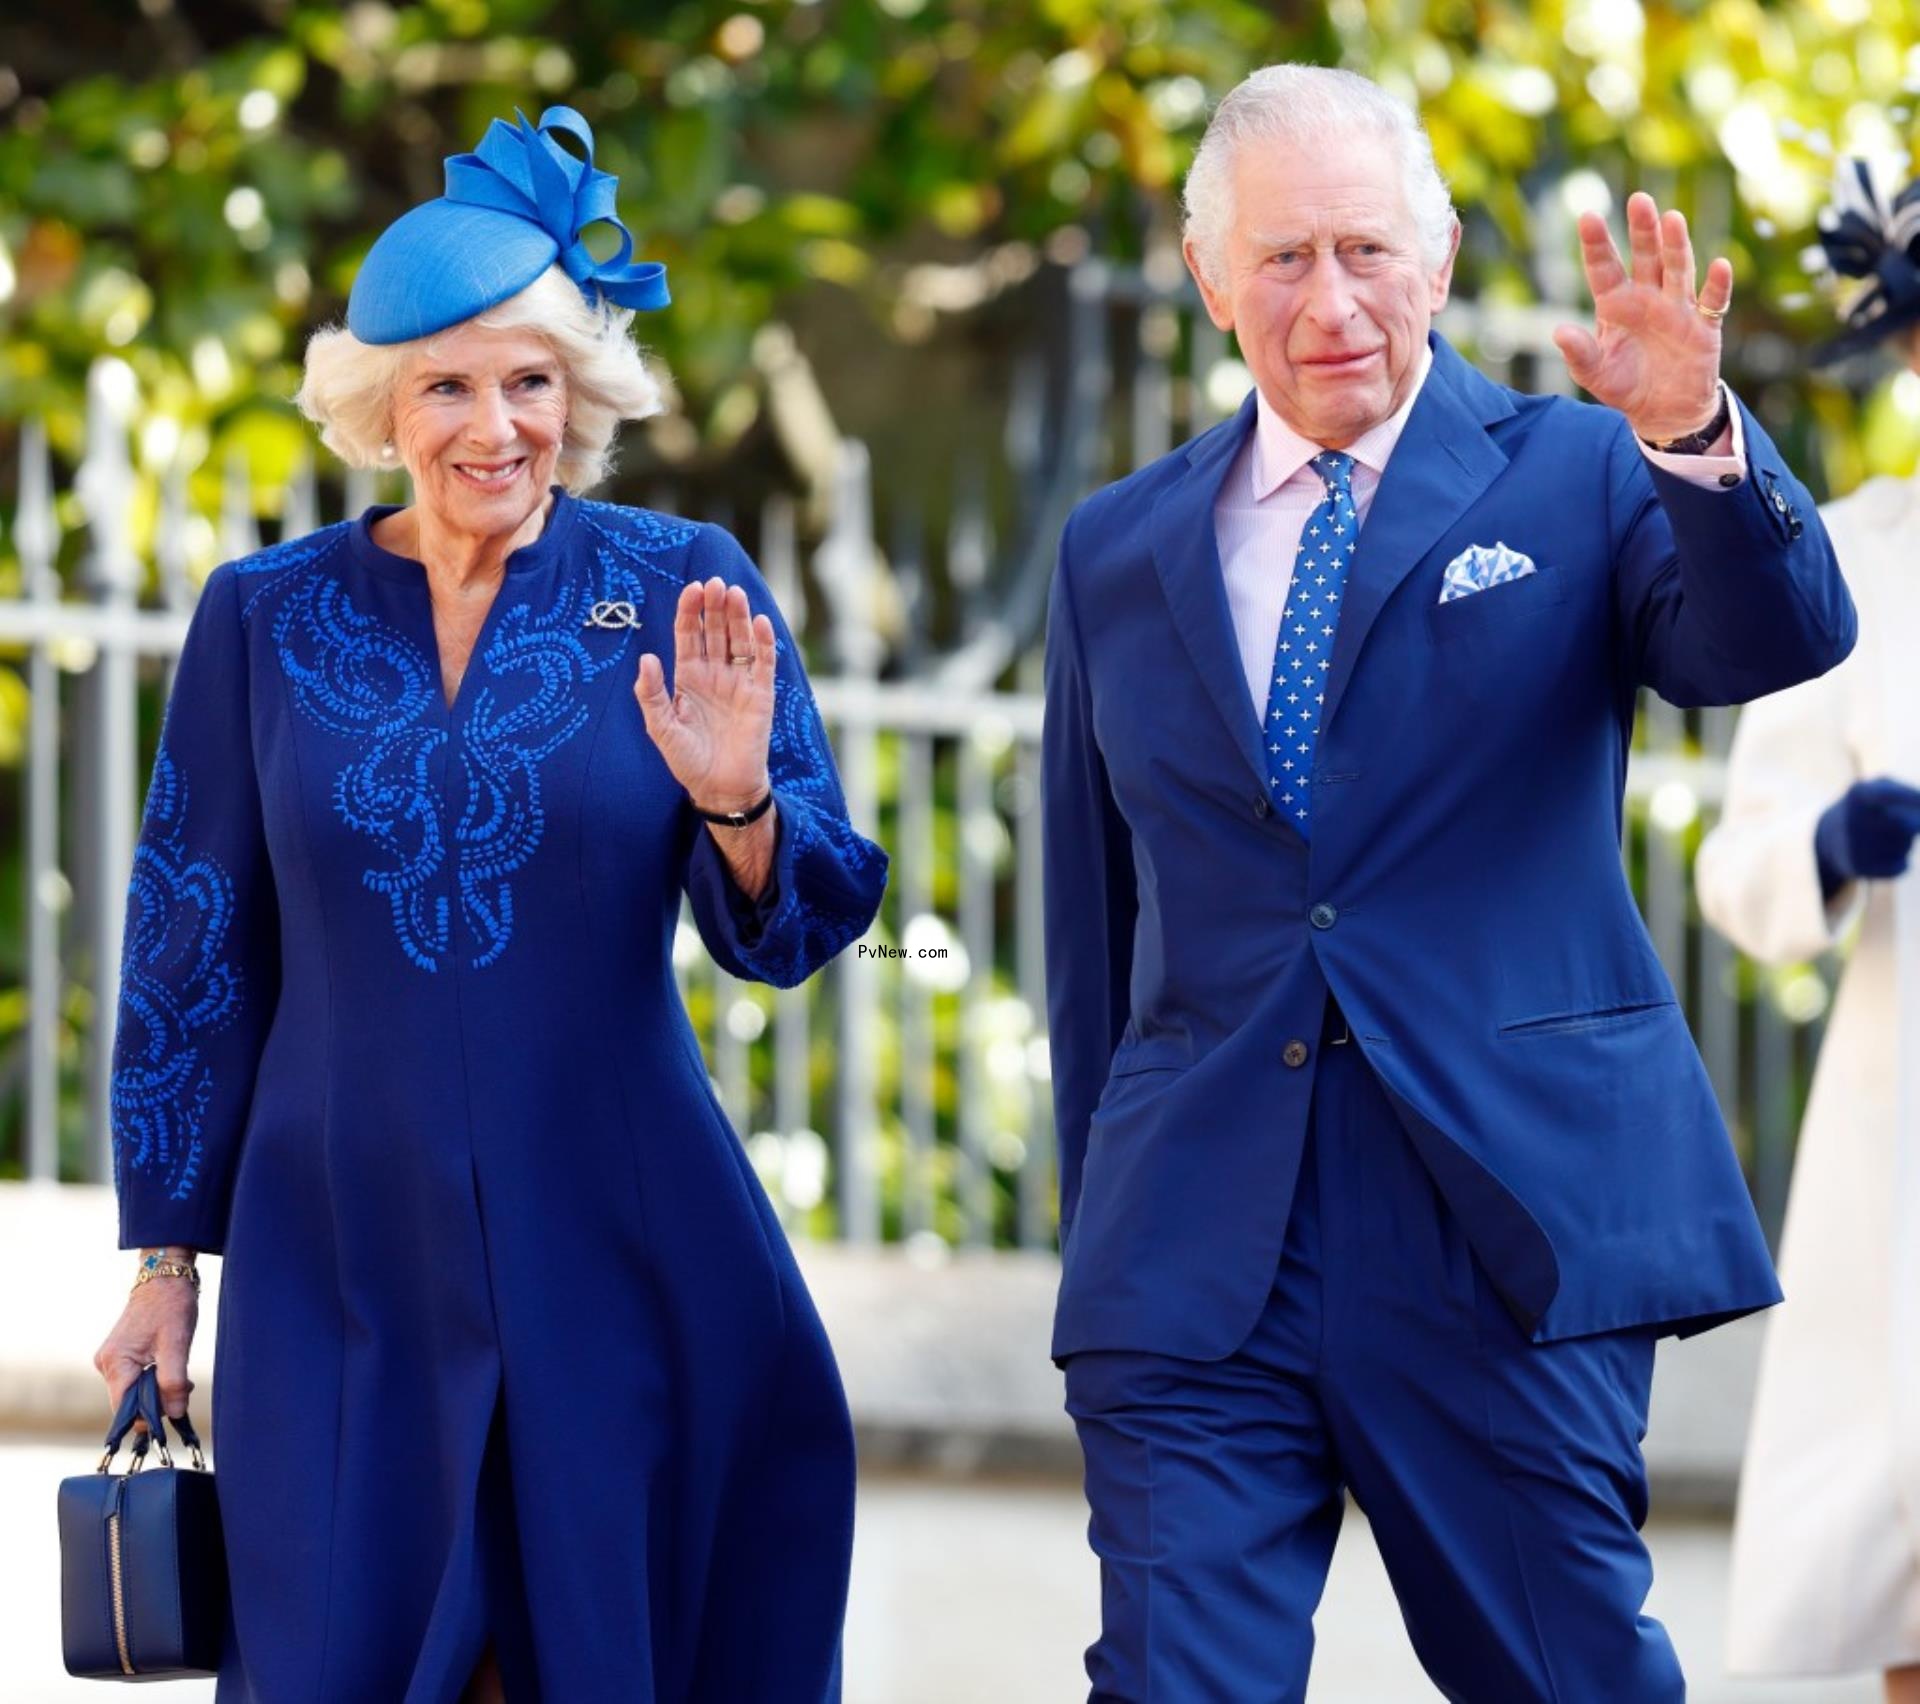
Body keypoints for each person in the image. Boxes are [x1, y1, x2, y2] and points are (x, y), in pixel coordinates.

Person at [1040, 63, 1854, 1700]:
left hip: (1502, 1222)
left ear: (1441, 255)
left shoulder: (1583, 469)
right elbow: (1090, 921)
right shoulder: (1114, 547)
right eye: (1283, 258)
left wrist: (1693, 438)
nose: (1331, 302)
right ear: (1208, 276)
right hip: (1201, 1246)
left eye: (1365, 249)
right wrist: (1110, 1226)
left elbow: (1774, 642)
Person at [90, 105, 886, 1702]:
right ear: (379, 404)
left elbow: (797, 924)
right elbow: (190, 946)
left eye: (530, 381)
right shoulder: (262, 616)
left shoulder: (678, 584)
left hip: (620, 1245)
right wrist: (168, 1263)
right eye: (447, 384)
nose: (494, 425)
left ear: (579, 395)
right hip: (339, 1261)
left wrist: (737, 803)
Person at [1696, 158, 1920, 1702]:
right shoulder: (1850, 562)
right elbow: (1744, 859)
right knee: (1903, 1556)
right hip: (1906, 1139)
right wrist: (1830, 849)